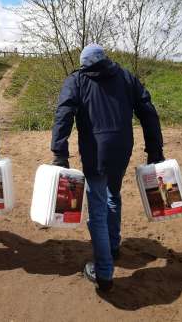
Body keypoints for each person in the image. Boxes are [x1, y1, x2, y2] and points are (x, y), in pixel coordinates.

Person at [51, 44, 164, 292]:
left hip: (95, 153)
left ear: (84, 64)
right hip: (122, 150)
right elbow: (148, 111)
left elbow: (63, 113)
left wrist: (59, 152)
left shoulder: (77, 79)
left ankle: (104, 272)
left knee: (98, 211)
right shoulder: (125, 76)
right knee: (114, 195)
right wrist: (155, 149)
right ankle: (113, 246)